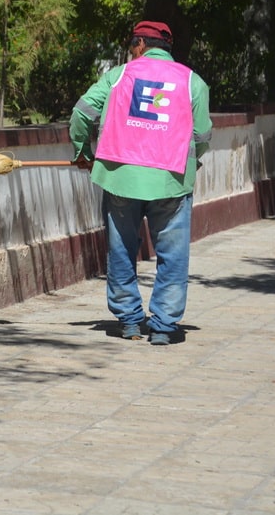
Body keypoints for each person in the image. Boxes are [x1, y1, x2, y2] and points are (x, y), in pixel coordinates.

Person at [69, 21, 212, 346]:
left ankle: (130, 321)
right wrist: (192, 160)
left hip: (121, 177)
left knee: (121, 249)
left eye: (130, 46)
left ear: (139, 45)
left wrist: (82, 151)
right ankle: (163, 326)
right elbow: (202, 136)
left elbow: (81, 113)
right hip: (171, 180)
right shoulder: (192, 82)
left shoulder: (118, 75)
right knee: (172, 255)